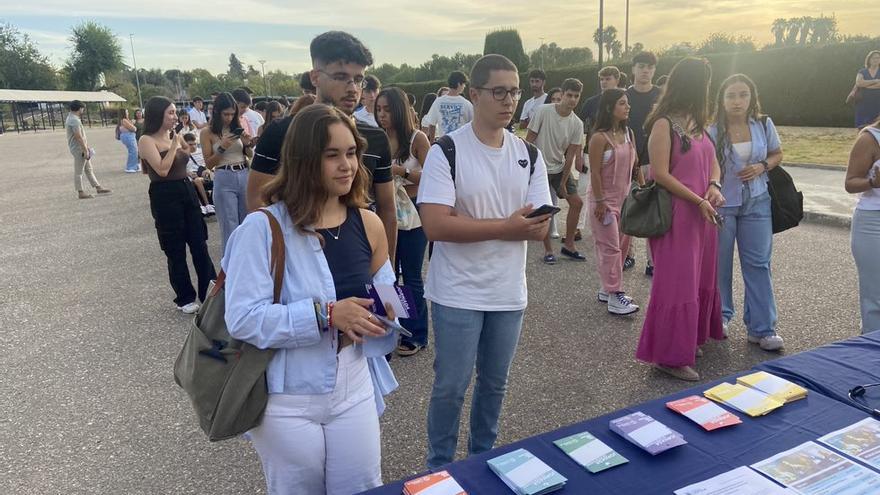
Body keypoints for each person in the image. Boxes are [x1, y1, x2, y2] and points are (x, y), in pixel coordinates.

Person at [223, 104, 400, 495]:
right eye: (332, 155)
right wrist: (326, 314)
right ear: (304, 160)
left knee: (363, 488)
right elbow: (243, 319)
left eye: (351, 152)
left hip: (354, 385)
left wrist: (387, 315)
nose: (347, 165)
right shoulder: (263, 228)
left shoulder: (367, 222)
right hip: (288, 397)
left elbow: (389, 294)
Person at [419, 54, 552, 469]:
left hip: (508, 292)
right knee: (451, 387)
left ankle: (483, 462)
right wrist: (505, 227)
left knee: (494, 385)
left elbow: (542, 226)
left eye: (514, 91)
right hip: (457, 291)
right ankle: (439, 467)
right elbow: (436, 225)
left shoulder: (528, 153)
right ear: (474, 94)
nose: (509, 100)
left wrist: (478, 224)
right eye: (499, 91)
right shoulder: (447, 151)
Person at [247, 31, 397, 259]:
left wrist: (386, 275)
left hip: (359, 259)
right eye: (340, 76)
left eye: (358, 79)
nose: (352, 88)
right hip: (298, 260)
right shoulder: (281, 132)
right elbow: (257, 202)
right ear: (315, 77)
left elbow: (387, 209)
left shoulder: (375, 138)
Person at [635, 57, 725, 382]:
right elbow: (659, 173)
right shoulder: (664, 124)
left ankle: (686, 340)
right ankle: (669, 357)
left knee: (699, 279)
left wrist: (714, 186)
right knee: (676, 285)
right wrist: (698, 198)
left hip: (702, 214)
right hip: (677, 215)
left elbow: (714, 163)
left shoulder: (699, 126)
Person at [708, 74, 785, 351]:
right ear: (722, 99)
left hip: (758, 201)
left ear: (751, 97)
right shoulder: (712, 130)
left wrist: (762, 165)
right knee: (720, 265)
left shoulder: (763, 123)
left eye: (742, 95)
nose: (737, 101)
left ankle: (762, 328)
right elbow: (706, 166)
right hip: (722, 204)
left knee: (759, 264)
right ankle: (720, 317)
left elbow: (777, 153)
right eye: (731, 96)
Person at [136, 96, 216, 314]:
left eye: (174, 113)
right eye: (170, 113)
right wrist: (173, 144)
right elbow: (161, 169)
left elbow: (187, 156)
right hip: (165, 194)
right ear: (157, 114)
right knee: (175, 247)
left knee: (199, 241)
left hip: (186, 188)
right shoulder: (146, 140)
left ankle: (210, 290)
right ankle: (185, 296)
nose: (174, 117)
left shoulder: (176, 135)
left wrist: (180, 145)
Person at [376, 87, 431, 357]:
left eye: (387, 109)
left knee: (410, 277)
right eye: (379, 110)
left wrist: (401, 171)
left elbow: (434, 176)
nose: (382, 115)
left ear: (399, 110)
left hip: (412, 216)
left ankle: (416, 334)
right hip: (382, 213)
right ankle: (389, 331)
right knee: (385, 276)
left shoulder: (417, 139)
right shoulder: (376, 138)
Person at [586, 88, 641, 315]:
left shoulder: (629, 134)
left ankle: (606, 289)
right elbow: (595, 172)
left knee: (622, 246)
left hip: (625, 199)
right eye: (622, 103)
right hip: (604, 201)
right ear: (610, 107)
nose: (627, 107)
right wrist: (599, 201)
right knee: (610, 247)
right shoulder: (599, 138)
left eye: (627, 103)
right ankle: (615, 293)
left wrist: (644, 188)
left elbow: (636, 165)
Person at [527, 78, 587, 264]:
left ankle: (569, 245)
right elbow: (528, 140)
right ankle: (547, 250)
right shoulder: (543, 111)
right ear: (562, 94)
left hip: (560, 167)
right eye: (569, 95)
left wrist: (562, 183)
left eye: (576, 96)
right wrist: (528, 169)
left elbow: (570, 155)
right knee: (544, 208)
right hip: (539, 166)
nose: (572, 100)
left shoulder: (577, 123)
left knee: (576, 203)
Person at [201, 92, 253, 253]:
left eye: (232, 114)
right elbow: (209, 164)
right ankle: (230, 269)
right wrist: (222, 147)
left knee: (247, 223)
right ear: (217, 112)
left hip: (243, 172)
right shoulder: (207, 132)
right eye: (226, 114)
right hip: (224, 175)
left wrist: (247, 144)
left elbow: (250, 155)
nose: (229, 117)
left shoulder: (236, 127)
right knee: (230, 227)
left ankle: (248, 264)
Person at [626, 51, 661, 276]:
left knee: (654, 212)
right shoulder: (624, 96)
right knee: (628, 210)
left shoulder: (661, 96)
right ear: (633, 69)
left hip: (655, 160)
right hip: (627, 161)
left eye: (649, 66)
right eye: (641, 66)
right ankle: (627, 254)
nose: (645, 70)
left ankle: (653, 261)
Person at [576, 66, 621, 242]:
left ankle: (615, 227)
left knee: (614, 191)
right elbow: (579, 129)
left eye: (608, 78)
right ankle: (578, 227)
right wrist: (578, 154)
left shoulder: (623, 102)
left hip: (616, 154)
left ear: (617, 80)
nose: (604, 82)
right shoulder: (591, 102)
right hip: (591, 151)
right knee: (582, 189)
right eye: (602, 79)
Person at [846, 116, 880, 334]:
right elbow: (850, 182)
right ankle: (872, 354)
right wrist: (873, 183)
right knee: (875, 296)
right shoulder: (870, 138)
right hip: (873, 223)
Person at [66, 100, 111, 199]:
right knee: (79, 171)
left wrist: (86, 147)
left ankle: (98, 187)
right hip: (79, 149)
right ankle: (80, 192)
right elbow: (78, 136)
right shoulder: (74, 120)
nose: (83, 110)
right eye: (82, 108)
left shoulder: (71, 117)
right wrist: (85, 150)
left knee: (88, 168)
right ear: (79, 108)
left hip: (80, 147)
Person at [423, 71, 473, 142]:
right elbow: (473, 124)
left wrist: (432, 143)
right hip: (462, 143)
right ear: (459, 84)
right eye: (464, 84)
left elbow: (432, 124)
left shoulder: (438, 102)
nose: (464, 87)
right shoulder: (466, 104)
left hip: (444, 144)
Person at [182, 132, 215, 216]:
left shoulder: (201, 152)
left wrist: (207, 169)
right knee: (193, 181)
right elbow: (180, 169)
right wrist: (188, 173)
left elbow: (210, 163)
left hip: (204, 175)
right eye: (190, 144)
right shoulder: (183, 155)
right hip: (191, 177)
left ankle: (207, 205)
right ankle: (205, 205)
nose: (193, 146)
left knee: (198, 180)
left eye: (195, 144)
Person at [854, 51, 880, 129]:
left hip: (877, 104)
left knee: (876, 129)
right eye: (874, 58)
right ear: (869, 59)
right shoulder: (862, 71)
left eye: (878, 58)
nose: (876, 60)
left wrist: (865, 85)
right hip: (863, 105)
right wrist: (875, 81)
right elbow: (858, 83)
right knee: (861, 128)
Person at [116, 108, 139, 173]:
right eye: (127, 112)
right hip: (128, 136)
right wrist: (133, 125)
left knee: (134, 151)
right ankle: (130, 167)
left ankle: (134, 166)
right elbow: (133, 129)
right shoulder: (124, 120)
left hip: (128, 136)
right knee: (133, 151)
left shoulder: (124, 120)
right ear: (124, 113)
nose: (128, 113)